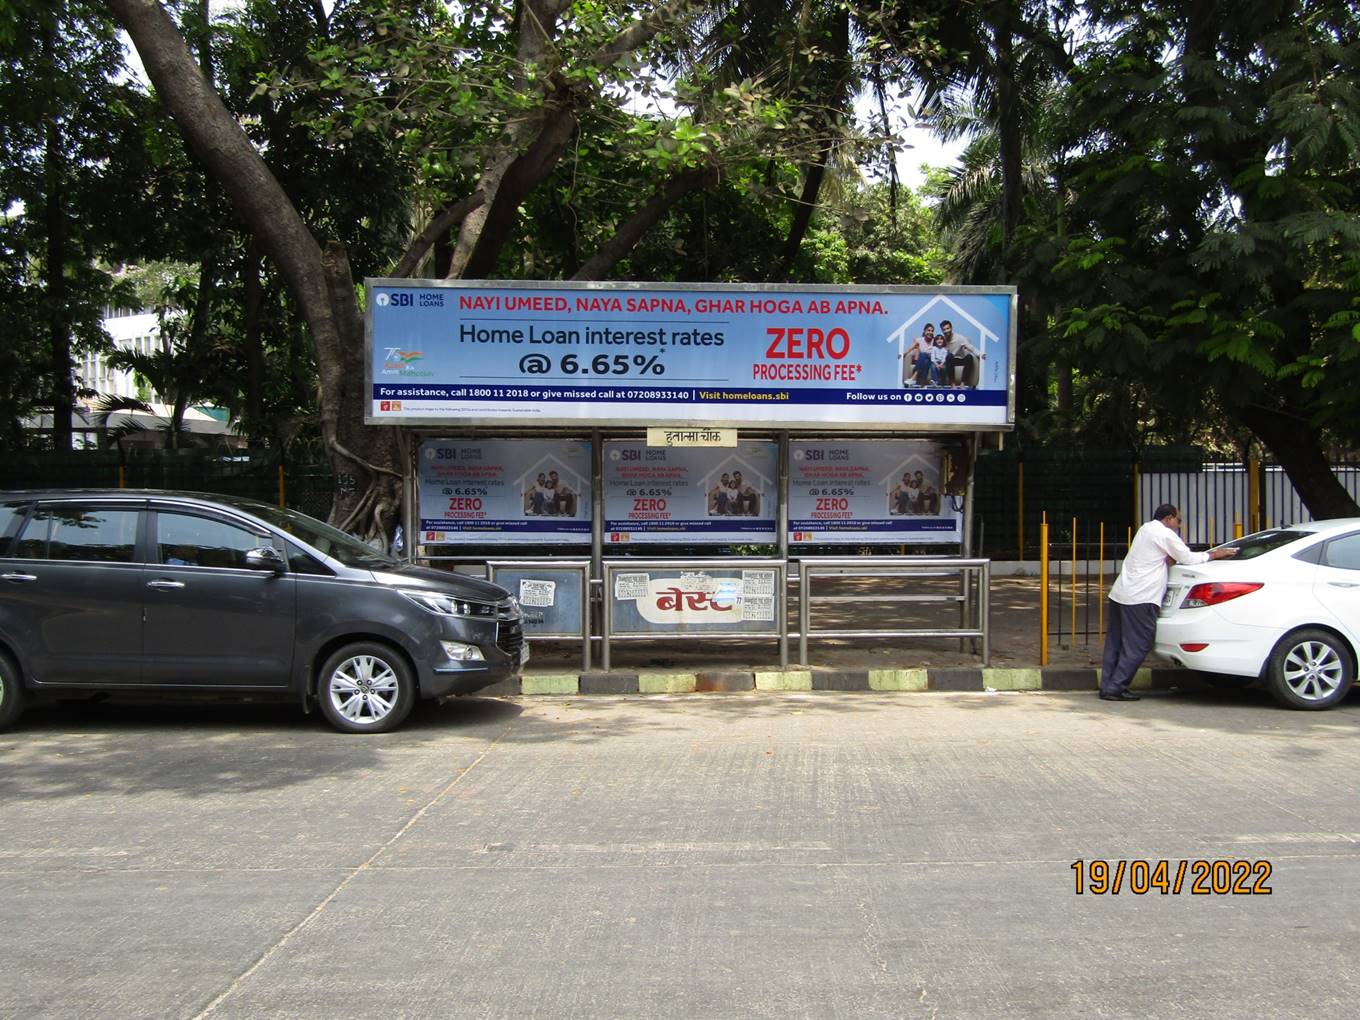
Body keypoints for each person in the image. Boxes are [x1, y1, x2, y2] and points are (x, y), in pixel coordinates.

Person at [1100, 503, 1238, 701]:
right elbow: (1187, 557)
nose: (1178, 525)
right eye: (1178, 521)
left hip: (1121, 593)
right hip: (1141, 597)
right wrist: (1214, 554)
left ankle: (1108, 686)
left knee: (1115, 642)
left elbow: (1166, 558)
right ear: (1169, 518)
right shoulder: (1164, 534)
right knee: (1139, 643)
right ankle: (1116, 686)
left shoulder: (1145, 529)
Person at [939, 319, 985, 388]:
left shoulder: (959, 338)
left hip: (961, 359)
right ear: (942, 331)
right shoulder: (941, 340)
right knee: (949, 356)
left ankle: (963, 384)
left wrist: (980, 354)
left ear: (951, 328)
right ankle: (953, 384)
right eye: (944, 329)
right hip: (949, 361)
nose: (946, 331)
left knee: (969, 357)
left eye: (947, 328)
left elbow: (971, 348)